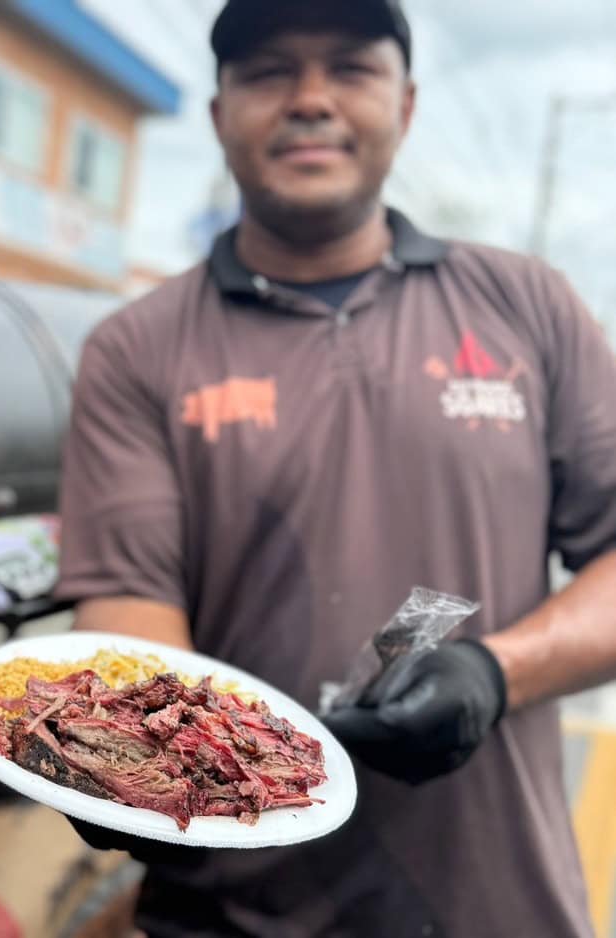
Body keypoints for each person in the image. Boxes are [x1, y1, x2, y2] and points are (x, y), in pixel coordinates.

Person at [55, 0, 616, 935]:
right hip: (229, 904)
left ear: (405, 107)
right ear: (218, 115)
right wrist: (142, 748)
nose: (309, 99)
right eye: (269, 72)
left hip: (494, 900)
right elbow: (124, 591)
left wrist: (493, 672)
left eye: (350, 69)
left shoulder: (528, 306)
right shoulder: (137, 348)